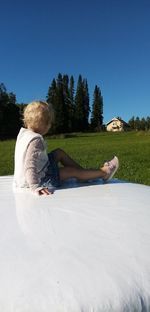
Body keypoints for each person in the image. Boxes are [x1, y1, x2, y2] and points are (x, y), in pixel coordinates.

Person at [13, 101, 119, 195]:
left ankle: (84, 175)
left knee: (59, 152)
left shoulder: (24, 134)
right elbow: (29, 165)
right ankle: (104, 173)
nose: (50, 126)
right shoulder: (35, 140)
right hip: (39, 179)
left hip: (28, 174)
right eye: (49, 123)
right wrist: (35, 186)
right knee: (71, 171)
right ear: (44, 125)